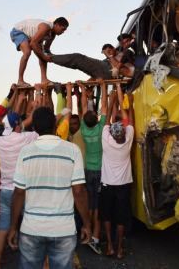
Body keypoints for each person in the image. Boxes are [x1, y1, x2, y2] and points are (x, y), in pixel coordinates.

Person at [7, 107, 91, 269]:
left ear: (35, 127)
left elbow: (18, 192)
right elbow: (79, 191)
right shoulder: (72, 150)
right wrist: (87, 223)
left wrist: (12, 227)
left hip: (31, 227)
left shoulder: (25, 152)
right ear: (55, 124)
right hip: (63, 228)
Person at [0, 112, 38, 268]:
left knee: (3, 228)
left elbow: (16, 126)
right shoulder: (27, 138)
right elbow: (40, 125)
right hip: (22, 191)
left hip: (5, 190)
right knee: (29, 229)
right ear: (18, 124)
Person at [100, 84, 135, 259]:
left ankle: (110, 247)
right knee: (121, 217)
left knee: (106, 215)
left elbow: (107, 121)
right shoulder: (127, 140)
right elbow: (128, 120)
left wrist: (112, 98)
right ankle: (120, 248)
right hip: (123, 186)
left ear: (112, 134)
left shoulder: (107, 141)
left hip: (107, 185)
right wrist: (129, 103)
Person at [77, 79, 107, 255]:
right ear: (96, 120)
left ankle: (85, 230)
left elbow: (82, 108)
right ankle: (94, 236)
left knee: (89, 203)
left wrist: (82, 90)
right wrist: (103, 86)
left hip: (88, 171)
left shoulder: (84, 128)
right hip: (100, 171)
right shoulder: (100, 128)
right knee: (97, 205)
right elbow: (104, 106)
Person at [10, 17, 69, 86]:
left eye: (64, 30)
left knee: (43, 55)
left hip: (32, 37)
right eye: (62, 29)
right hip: (18, 31)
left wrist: (52, 58)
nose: (63, 32)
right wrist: (44, 56)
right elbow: (33, 44)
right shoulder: (45, 27)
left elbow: (46, 49)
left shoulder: (52, 35)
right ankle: (20, 81)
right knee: (27, 52)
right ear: (56, 25)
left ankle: (44, 80)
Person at [46, 44, 134, 79]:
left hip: (108, 70)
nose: (108, 54)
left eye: (109, 51)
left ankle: (50, 57)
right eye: (106, 53)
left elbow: (119, 67)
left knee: (78, 57)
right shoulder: (109, 59)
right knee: (79, 61)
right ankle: (51, 57)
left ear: (114, 48)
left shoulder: (124, 53)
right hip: (104, 69)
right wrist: (88, 84)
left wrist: (109, 55)